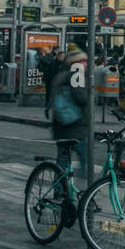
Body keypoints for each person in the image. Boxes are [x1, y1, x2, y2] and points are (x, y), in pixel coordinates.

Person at [49, 49, 90, 224]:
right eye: (84, 61)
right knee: (85, 158)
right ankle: (85, 192)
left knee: (63, 160)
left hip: (60, 126)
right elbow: (81, 98)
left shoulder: (60, 75)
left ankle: (59, 191)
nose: (87, 64)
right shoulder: (77, 73)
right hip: (75, 126)